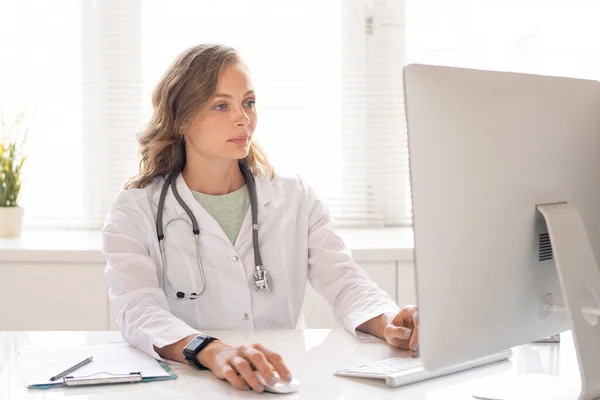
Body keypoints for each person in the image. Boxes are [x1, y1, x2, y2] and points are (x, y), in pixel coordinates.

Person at [102, 43, 419, 394]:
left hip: (281, 379)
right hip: (190, 384)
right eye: (221, 105)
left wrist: (392, 323)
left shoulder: (294, 197)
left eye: (248, 102)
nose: (243, 118)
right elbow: (138, 310)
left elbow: (346, 283)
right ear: (182, 119)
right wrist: (212, 351)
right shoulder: (136, 210)